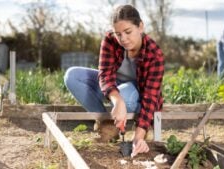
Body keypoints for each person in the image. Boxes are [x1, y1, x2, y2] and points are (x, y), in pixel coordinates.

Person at [64, 4, 164, 157]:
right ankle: (107, 125)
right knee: (72, 76)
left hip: (135, 96)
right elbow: (104, 74)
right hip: (114, 91)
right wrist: (117, 101)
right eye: (118, 34)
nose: (123, 39)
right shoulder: (110, 40)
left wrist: (138, 136)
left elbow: (151, 97)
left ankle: (116, 122)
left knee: (125, 92)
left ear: (141, 27)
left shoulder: (154, 54)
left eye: (128, 32)